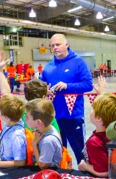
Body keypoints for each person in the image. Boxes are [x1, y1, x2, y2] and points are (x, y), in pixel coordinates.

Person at [41, 33, 93, 164]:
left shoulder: (78, 62)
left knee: (79, 151)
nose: (55, 48)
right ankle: (60, 176)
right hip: (53, 117)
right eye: (52, 46)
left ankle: (86, 176)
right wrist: (45, 90)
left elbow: (88, 85)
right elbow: (42, 86)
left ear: (67, 45)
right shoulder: (48, 67)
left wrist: (67, 86)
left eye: (58, 44)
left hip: (73, 116)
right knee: (57, 151)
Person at [0, 50, 60, 133]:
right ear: (43, 96)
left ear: (25, 94)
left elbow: (6, 95)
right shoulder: (48, 114)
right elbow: (58, 136)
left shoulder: (21, 111)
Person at [78, 93, 116, 177]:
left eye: (92, 109)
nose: (90, 111)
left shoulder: (95, 142)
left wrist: (84, 166)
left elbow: (104, 172)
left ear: (98, 118)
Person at [0, 94, 27, 168]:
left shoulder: (17, 136)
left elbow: (20, 162)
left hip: (11, 169)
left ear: (6, 117)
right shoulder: (9, 123)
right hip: (3, 161)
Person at [25, 98, 62, 169]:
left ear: (38, 122)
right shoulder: (46, 128)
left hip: (46, 173)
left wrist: (34, 144)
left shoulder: (48, 141)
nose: (25, 119)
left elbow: (43, 166)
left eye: (27, 117)